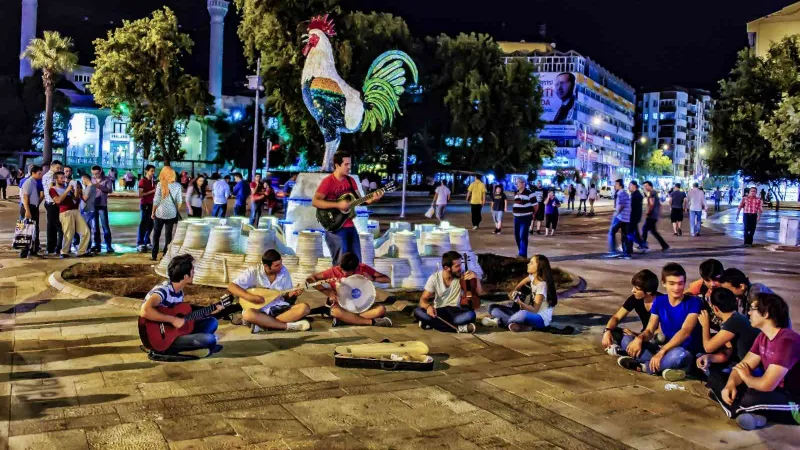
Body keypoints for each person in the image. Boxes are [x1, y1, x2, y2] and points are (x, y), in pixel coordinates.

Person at [708, 293, 799, 430]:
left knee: (750, 398)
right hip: (774, 392)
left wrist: (746, 377)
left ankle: (734, 409)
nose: (748, 312)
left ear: (766, 313)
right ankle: (751, 414)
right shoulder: (763, 337)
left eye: (752, 309)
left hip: (794, 400)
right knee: (715, 377)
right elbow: (742, 366)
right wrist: (730, 384)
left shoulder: (787, 341)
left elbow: (767, 385)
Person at [616, 263, 703, 381]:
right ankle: (665, 368)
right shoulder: (660, 301)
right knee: (628, 340)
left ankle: (645, 367)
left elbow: (685, 331)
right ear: (664, 283)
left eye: (680, 283)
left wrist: (662, 352)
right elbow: (650, 330)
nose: (677, 288)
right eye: (672, 284)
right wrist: (639, 338)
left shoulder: (694, 302)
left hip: (683, 351)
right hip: (664, 349)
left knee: (679, 354)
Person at [140, 254, 223, 361]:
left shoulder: (178, 292)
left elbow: (183, 317)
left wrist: (209, 311)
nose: (194, 273)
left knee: (212, 322)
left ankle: (192, 346)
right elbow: (145, 311)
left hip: (173, 333)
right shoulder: (163, 290)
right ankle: (172, 349)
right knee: (210, 339)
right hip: (160, 338)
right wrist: (173, 319)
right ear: (185, 277)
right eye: (192, 271)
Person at [312, 152, 383, 265]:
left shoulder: (351, 180)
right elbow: (315, 201)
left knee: (356, 261)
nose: (349, 167)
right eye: (346, 164)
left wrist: (373, 198)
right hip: (335, 227)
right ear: (337, 165)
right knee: (341, 263)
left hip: (350, 225)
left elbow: (360, 200)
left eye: (350, 164)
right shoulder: (328, 182)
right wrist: (338, 205)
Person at [228, 249, 311, 333]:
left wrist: (293, 294)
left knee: (305, 308)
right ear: (266, 266)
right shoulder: (254, 272)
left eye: (281, 263)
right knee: (248, 315)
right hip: (259, 310)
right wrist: (250, 297)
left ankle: (264, 325)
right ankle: (286, 326)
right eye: (277, 265)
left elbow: (286, 296)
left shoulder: (284, 271)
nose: (281, 266)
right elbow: (232, 286)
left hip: (279, 308)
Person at [307, 252, 393, 327]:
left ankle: (345, 320)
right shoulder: (333, 271)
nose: (344, 273)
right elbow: (310, 279)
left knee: (381, 309)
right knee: (335, 311)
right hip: (342, 307)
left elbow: (387, 279)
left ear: (356, 268)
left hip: (361, 306)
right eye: (342, 270)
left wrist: (373, 279)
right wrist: (327, 292)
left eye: (347, 273)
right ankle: (370, 322)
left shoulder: (363, 268)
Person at [696, 287, 761, 378]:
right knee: (702, 358)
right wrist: (709, 357)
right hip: (748, 364)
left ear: (715, 308)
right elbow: (726, 353)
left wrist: (705, 325)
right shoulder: (736, 317)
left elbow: (708, 347)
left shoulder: (733, 322)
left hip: (754, 369)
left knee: (714, 377)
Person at [483, 254, 557, 332]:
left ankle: (499, 322)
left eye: (531, 263)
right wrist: (515, 290)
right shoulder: (533, 277)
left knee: (522, 314)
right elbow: (524, 281)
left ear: (539, 267)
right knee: (492, 307)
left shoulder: (542, 286)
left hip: (540, 319)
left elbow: (535, 310)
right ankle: (520, 325)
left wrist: (520, 302)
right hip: (527, 312)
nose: (528, 264)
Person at [414, 251, 480, 334]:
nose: (461, 268)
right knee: (418, 311)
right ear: (446, 268)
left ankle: (432, 324)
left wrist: (476, 278)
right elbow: (423, 299)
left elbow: (479, 292)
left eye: (461, 265)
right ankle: (460, 328)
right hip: (439, 311)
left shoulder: (463, 276)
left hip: (456, 312)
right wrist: (428, 307)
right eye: (457, 266)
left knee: (471, 314)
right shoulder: (434, 278)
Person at [601, 269, 661, 355]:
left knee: (627, 340)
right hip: (642, 336)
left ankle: (628, 353)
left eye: (637, 289)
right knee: (611, 331)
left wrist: (637, 336)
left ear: (648, 292)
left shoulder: (662, 302)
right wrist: (607, 331)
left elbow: (660, 332)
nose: (632, 291)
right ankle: (631, 352)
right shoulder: (635, 298)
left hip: (654, 339)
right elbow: (616, 317)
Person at [49, 171, 91, 258]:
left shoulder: (66, 188)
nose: (63, 180)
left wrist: (76, 190)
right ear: (56, 179)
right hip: (65, 212)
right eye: (61, 178)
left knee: (85, 231)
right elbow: (58, 201)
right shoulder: (53, 189)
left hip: (75, 211)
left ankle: (81, 251)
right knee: (68, 233)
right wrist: (67, 190)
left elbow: (75, 199)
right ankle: (64, 252)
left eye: (64, 178)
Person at [151, 166, 183, 261]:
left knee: (156, 234)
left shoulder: (160, 184)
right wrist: (175, 209)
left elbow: (156, 200)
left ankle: (154, 255)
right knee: (168, 235)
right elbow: (179, 201)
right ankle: (166, 255)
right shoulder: (177, 186)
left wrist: (153, 212)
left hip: (160, 213)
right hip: (171, 214)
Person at [19, 165, 44, 258]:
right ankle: (24, 252)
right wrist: (27, 210)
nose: (41, 175)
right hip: (28, 208)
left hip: (33, 208)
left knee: (34, 230)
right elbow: (25, 197)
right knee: (26, 230)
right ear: (33, 173)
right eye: (39, 173)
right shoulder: (28, 182)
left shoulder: (34, 182)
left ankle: (33, 250)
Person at [639, 181, 670, 252]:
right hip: (654, 215)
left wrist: (648, 212)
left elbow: (652, 204)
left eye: (646, 186)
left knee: (644, 229)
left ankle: (643, 245)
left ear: (650, 186)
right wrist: (659, 213)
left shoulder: (652, 193)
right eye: (644, 186)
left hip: (651, 215)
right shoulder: (655, 193)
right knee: (653, 231)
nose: (645, 188)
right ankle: (665, 245)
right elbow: (659, 204)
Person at [91, 166, 114, 254]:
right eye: (93, 173)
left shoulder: (107, 179)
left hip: (102, 205)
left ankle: (108, 246)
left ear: (101, 171)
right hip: (93, 205)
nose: (95, 175)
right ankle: (97, 245)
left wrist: (99, 186)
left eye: (96, 173)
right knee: (95, 227)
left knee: (105, 226)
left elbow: (109, 190)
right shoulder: (91, 179)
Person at [42, 160, 63, 256]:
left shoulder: (46, 175)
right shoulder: (51, 176)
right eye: (57, 168)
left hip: (49, 202)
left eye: (60, 168)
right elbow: (52, 188)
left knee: (52, 225)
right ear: (52, 166)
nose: (59, 170)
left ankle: (52, 246)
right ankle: (52, 247)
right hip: (52, 203)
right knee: (54, 226)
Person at [607, 179, 631, 259]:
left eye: (616, 184)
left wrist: (615, 214)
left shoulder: (621, 193)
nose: (615, 185)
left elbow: (621, 205)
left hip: (621, 217)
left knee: (611, 232)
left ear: (620, 185)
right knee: (624, 235)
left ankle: (613, 251)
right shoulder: (624, 193)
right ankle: (626, 254)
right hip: (626, 218)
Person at [511, 178, 534, 259]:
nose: (516, 184)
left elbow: (535, 205)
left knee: (523, 236)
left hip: (525, 217)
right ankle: (521, 252)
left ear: (523, 183)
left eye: (518, 182)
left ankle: (522, 254)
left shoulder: (529, 193)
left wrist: (532, 215)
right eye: (516, 183)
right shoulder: (516, 193)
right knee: (517, 236)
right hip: (516, 217)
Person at [137, 165, 157, 253]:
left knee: (150, 224)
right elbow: (140, 194)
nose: (153, 173)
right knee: (144, 224)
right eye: (151, 171)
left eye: (154, 171)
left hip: (152, 205)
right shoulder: (142, 181)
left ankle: (147, 241)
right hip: (145, 204)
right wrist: (152, 191)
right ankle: (140, 243)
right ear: (146, 171)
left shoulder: (153, 181)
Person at [79, 174, 97, 253]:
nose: (82, 182)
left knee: (86, 229)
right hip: (90, 209)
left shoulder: (89, 187)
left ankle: (87, 247)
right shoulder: (92, 187)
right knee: (87, 228)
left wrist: (79, 193)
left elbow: (85, 198)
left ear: (85, 179)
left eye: (82, 180)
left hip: (87, 210)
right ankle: (87, 246)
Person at [627, 181, 645, 251]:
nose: (629, 187)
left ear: (634, 186)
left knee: (629, 232)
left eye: (630, 185)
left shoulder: (636, 195)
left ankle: (642, 245)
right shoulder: (635, 194)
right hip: (635, 216)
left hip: (633, 216)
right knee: (634, 232)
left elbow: (632, 207)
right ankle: (630, 247)